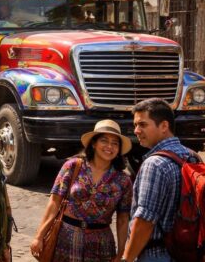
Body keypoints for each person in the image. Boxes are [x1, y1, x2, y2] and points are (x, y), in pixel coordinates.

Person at [30, 120, 132, 261]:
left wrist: (121, 253)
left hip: (101, 245)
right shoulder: (73, 166)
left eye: (115, 143)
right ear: (94, 144)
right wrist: (39, 236)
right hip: (66, 239)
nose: (110, 146)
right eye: (104, 141)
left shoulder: (123, 180)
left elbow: (123, 219)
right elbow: (54, 202)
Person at [121, 98, 197, 262]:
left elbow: (145, 220)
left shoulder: (154, 164)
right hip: (187, 251)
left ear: (164, 126)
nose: (136, 130)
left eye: (142, 124)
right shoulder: (192, 156)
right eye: (135, 125)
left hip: (155, 254)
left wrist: (126, 259)